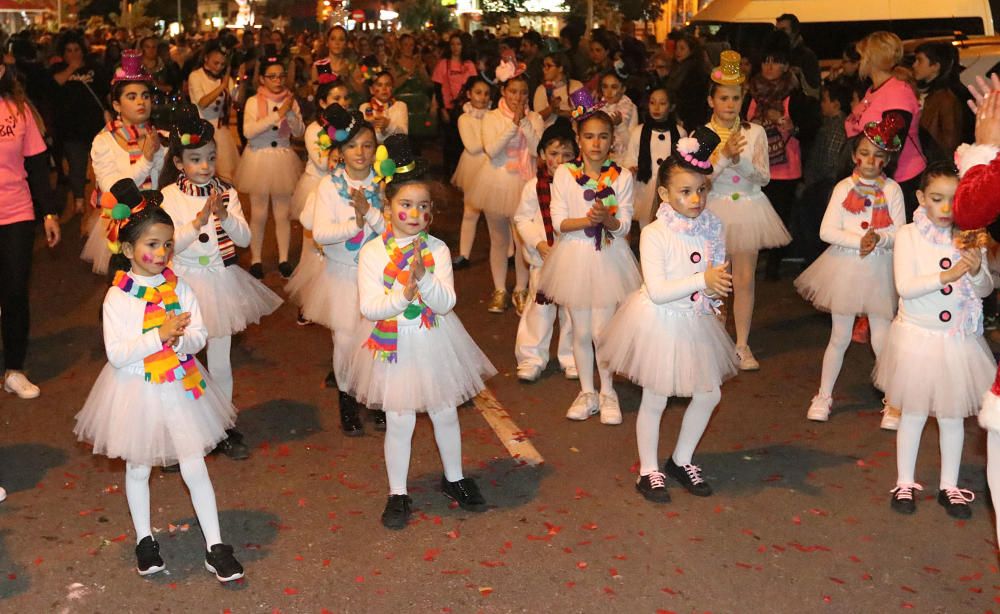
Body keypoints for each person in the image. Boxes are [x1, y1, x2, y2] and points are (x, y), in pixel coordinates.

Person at [73, 179, 244, 582]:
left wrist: (184, 337)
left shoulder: (180, 286)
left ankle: (215, 544)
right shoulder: (118, 297)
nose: (161, 252)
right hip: (135, 390)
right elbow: (118, 353)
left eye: (167, 244)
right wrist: (161, 334)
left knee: (194, 463)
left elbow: (200, 334)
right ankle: (144, 539)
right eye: (151, 244)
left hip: (179, 385)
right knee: (138, 466)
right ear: (129, 250)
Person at [345, 134, 496, 529]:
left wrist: (424, 279)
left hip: (432, 339)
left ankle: (455, 478)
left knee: (445, 411)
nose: (413, 214)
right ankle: (398, 492)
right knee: (399, 419)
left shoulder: (439, 250)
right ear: (388, 206)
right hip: (393, 344)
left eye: (422, 207)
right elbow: (369, 306)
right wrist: (402, 293)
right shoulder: (374, 252)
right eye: (405, 205)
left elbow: (445, 303)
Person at [601, 127, 737, 502]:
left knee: (709, 395)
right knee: (657, 397)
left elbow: (715, 275)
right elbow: (659, 291)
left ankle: (682, 459)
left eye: (701, 190)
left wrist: (716, 298)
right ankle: (648, 471)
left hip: (697, 321)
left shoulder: (711, 227)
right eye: (685, 191)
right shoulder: (655, 234)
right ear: (664, 193)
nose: (696, 199)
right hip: (662, 323)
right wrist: (702, 279)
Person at [875, 162, 995, 518]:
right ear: (921, 198)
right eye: (937, 199)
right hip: (917, 337)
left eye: (953, 200)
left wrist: (974, 271)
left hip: (957, 339)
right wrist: (949, 273)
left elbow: (987, 287)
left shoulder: (970, 235)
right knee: (912, 413)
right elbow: (905, 288)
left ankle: (950, 485)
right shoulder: (908, 235)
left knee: (951, 415)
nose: (945, 208)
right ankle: (905, 481)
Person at [159, 115, 281, 458]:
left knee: (221, 360)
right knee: (182, 357)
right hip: (184, 284)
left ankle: (223, 424)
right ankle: (185, 424)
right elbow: (169, 245)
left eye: (211, 158)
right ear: (179, 163)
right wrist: (198, 221)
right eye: (196, 159)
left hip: (220, 281)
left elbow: (243, 238)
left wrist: (224, 216)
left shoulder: (225, 192)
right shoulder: (169, 196)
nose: (205, 166)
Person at [537, 91, 641, 424]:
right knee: (580, 332)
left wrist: (607, 220)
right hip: (574, 258)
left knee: (602, 331)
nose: (596, 143)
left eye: (603, 137)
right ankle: (587, 392)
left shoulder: (622, 177)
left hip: (609, 259)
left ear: (613, 140)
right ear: (579, 139)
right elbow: (559, 222)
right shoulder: (565, 174)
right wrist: (589, 220)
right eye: (589, 136)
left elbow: (623, 224)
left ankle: (608, 391)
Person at [796, 116, 906, 425]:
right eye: (865, 153)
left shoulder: (893, 191)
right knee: (839, 336)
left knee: (881, 338)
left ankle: (893, 400)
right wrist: (861, 240)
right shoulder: (844, 187)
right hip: (845, 267)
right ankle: (824, 394)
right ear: (855, 155)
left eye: (878, 155)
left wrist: (880, 238)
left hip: (880, 270)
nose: (871, 160)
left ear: (886, 160)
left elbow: (900, 231)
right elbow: (826, 231)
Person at [705, 51, 791, 371]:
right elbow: (701, 179)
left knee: (744, 279)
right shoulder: (703, 134)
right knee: (716, 279)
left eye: (736, 97)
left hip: (750, 206)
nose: (730, 104)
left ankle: (741, 344)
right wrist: (724, 156)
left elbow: (765, 176)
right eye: (724, 97)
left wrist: (741, 160)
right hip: (714, 209)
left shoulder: (754, 132)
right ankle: (714, 340)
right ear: (711, 100)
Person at [309, 105, 384, 435]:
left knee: (377, 339)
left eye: (368, 145)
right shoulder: (328, 186)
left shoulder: (383, 184)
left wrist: (371, 213)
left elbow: (395, 230)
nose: (360, 153)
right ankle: (347, 398)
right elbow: (320, 233)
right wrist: (353, 223)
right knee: (345, 341)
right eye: (353, 146)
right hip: (342, 274)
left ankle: (375, 397)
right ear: (340, 150)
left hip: (378, 276)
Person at [1, 56, 60, 401]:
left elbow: (38, 165)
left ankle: (14, 369)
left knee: (14, 292)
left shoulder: (18, 108)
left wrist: (50, 213)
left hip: (15, 213)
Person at [470, 54, 543, 315]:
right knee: (498, 239)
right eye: (513, 91)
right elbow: (492, 150)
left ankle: (521, 289)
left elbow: (537, 150)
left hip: (526, 184)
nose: (518, 97)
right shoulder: (491, 117)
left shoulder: (534, 118)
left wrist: (523, 121)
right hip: (497, 183)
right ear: (503, 91)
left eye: (523, 92)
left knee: (523, 239)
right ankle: (500, 288)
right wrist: (512, 126)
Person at [82, 50, 165, 276]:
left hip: (156, 220)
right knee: (124, 287)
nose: (141, 101)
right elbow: (116, 189)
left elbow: (159, 182)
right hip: (121, 224)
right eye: (132, 96)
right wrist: (147, 158)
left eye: (145, 96)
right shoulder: (103, 140)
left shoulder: (157, 134)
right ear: (117, 105)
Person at [747, 32, 820, 279]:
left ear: (786, 65)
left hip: (785, 169)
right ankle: (756, 259)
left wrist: (794, 129)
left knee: (779, 217)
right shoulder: (751, 93)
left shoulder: (795, 96)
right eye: (765, 61)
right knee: (755, 217)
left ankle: (774, 265)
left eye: (776, 61)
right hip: (755, 167)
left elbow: (811, 129)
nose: (769, 66)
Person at [512, 120, 578, 382]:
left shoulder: (578, 186)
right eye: (553, 154)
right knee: (539, 309)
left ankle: (572, 356)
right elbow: (522, 219)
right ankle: (531, 357)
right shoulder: (533, 187)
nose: (559, 160)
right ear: (542, 155)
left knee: (573, 311)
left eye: (567, 155)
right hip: (544, 259)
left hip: (573, 260)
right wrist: (538, 244)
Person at [236, 52, 305, 280]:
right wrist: (278, 115)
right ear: (263, 79)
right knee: (259, 213)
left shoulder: (290, 100)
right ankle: (257, 260)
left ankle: (284, 259)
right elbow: (248, 131)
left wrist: (291, 115)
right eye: (272, 76)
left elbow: (299, 132)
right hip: (259, 158)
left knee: (283, 213)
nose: (278, 80)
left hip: (283, 157)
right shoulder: (254, 102)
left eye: (281, 76)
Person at [846, 32, 924, 219]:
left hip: (898, 182)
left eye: (862, 56)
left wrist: (875, 185)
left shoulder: (897, 92)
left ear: (871, 59)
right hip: (874, 176)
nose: (860, 62)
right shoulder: (874, 90)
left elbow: (892, 144)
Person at [50, 31, 108, 220]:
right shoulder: (57, 69)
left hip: (96, 127)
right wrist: (70, 69)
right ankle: (79, 200)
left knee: (102, 165)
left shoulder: (95, 69)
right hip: (71, 130)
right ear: (63, 53)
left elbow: (105, 93)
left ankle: (103, 199)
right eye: (69, 50)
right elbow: (53, 87)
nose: (73, 54)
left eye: (76, 50)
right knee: (77, 167)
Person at [623, 85, 683, 229]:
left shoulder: (680, 133)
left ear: (671, 106)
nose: (656, 107)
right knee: (647, 226)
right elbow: (630, 157)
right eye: (652, 102)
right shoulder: (638, 132)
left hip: (670, 186)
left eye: (662, 103)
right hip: (645, 187)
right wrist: (631, 168)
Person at [451, 75, 492, 270]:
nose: (482, 97)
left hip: (493, 167)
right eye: (478, 92)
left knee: (498, 212)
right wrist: (494, 143)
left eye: (486, 93)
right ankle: (464, 254)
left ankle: (509, 252)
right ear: (469, 94)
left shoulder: (495, 116)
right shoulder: (464, 118)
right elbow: (473, 146)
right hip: (473, 167)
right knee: (471, 211)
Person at [187, 40, 243, 183]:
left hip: (221, 131)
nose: (219, 67)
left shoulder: (224, 78)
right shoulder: (196, 76)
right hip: (202, 130)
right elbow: (202, 102)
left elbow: (236, 100)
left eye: (222, 64)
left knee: (226, 176)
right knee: (203, 173)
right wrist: (221, 87)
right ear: (206, 58)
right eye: (215, 63)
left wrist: (240, 81)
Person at [912, 41, 966, 162]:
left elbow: (950, 143)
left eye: (919, 60)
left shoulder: (947, 97)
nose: (914, 65)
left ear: (935, 66)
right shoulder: (936, 94)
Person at [432, 33, 478, 176]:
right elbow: (437, 88)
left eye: (458, 44)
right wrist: (442, 109)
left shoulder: (468, 64)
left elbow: (474, 85)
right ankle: (448, 173)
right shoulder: (443, 64)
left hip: (464, 109)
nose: (455, 47)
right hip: (448, 108)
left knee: (462, 141)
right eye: (452, 44)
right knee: (448, 142)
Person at [666, 32, 711, 131]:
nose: (678, 52)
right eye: (677, 48)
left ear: (692, 50)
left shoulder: (696, 72)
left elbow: (695, 100)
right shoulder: (676, 68)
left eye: (682, 49)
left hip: (689, 121)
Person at [359, 58, 408, 143]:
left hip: (395, 149)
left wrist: (388, 125)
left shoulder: (400, 106)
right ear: (371, 89)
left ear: (392, 88)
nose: (384, 89)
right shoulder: (364, 107)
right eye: (379, 85)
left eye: (388, 85)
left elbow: (404, 132)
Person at [533, 52, 583, 129]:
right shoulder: (541, 89)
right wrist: (551, 108)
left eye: (549, 66)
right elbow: (537, 119)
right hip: (549, 134)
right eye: (543, 66)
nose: (544, 69)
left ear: (560, 68)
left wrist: (566, 113)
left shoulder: (576, 85)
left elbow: (586, 111)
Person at [775, 13, 820, 96]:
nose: (779, 34)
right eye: (777, 31)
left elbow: (814, 91)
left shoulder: (807, 56)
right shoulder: (774, 55)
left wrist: (798, 76)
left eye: (783, 30)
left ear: (795, 31)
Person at [599, 67, 638, 163]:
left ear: (623, 89)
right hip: (601, 159)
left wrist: (620, 125)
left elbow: (632, 144)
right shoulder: (597, 109)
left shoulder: (631, 108)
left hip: (623, 161)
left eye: (614, 87)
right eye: (605, 86)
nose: (608, 92)